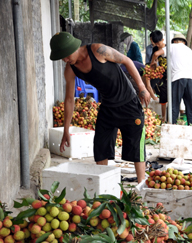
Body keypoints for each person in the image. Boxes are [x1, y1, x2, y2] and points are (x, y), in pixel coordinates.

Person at [49, 32, 151, 182]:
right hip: (108, 107)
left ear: (74, 47)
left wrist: (142, 87)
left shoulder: (98, 50)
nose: (65, 59)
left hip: (128, 103)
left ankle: (141, 183)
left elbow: (127, 61)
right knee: (100, 147)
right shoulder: (70, 69)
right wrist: (66, 130)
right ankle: (102, 183)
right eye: (62, 57)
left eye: (66, 55)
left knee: (136, 146)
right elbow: (70, 99)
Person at [151, 33, 192, 125]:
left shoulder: (172, 46)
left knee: (174, 105)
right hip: (190, 79)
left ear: (175, 41)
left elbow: (156, 53)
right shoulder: (189, 50)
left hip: (178, 78)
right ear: (184, 42)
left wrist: (153, 63)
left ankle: (171, 127)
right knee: (190, 106)